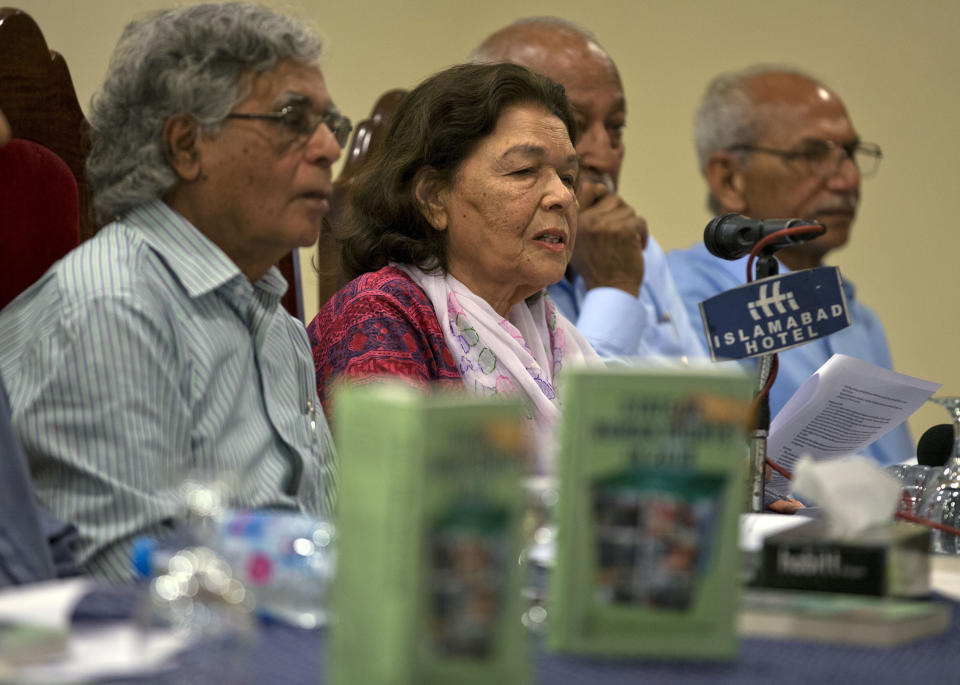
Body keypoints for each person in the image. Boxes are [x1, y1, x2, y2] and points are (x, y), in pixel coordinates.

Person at [0, 3, 342, 580]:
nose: (329, 148)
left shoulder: (277, 325)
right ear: (186, 146)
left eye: (334, 124)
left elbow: (326, 528)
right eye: (291, 119)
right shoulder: (111, 309)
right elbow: (124, 576)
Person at [308, 63, 600, 469]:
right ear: (433, 198)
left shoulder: (546, 328)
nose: (562, 197)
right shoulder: (377, 313)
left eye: (568, 177)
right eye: (524, 171)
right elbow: (399, 497)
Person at [667, 65, 912, 466]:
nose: (848, 179)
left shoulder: (861, 319)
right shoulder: (679, 298)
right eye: (813, 155)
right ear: (730, 179)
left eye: (850, 154)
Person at [469, 18, 705, 363]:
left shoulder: (631, 244)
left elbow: (707, 390)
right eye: (573, 125)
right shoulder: (492, 259)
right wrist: (614, 287)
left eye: (615, 128)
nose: (605, 155)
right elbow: (567, 414)